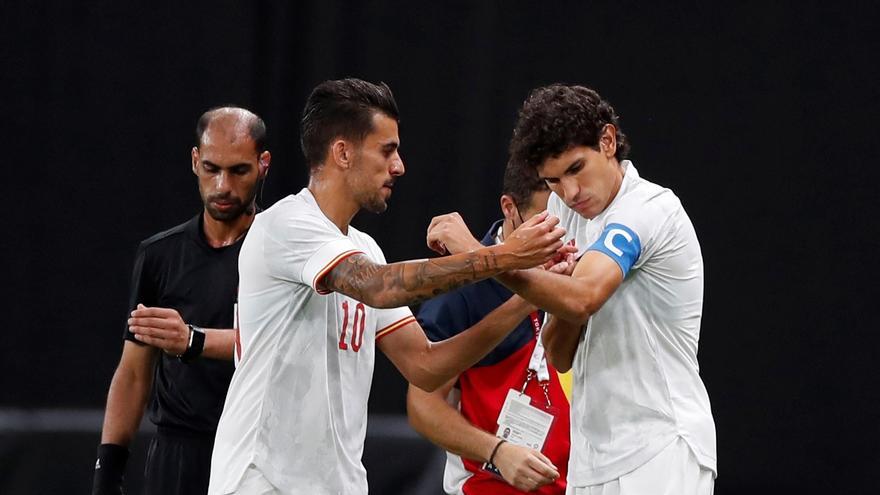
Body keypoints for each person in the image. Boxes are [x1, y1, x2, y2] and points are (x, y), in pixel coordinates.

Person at [208, 78, 573, 495]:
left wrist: (523, 297)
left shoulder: (365, 248)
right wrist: (502, 257)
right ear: (342, 152)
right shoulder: (285, 225)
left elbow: (426, 365)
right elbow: (378, 288)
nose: (399, 166)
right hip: (262, 482)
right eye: (387, 150)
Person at [427, 84, 716, 494]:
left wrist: (482, 256)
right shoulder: (566, 212)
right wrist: (557, 286)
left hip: (661, 449)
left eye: (576, 168)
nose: (570, 192)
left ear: (609, 141)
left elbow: (583, 298)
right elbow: (560, 354)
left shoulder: (647, 209)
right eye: (554, 180)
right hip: (590, 458)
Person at [92, 107, 271, 495]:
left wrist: (191, 340)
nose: (222, 185)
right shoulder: (159, 255)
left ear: (263, 165)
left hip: (260, 453)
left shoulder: (281, 253)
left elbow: (275, 346)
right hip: (177, 457)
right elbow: (134, 372)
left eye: (239, 171)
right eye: (211, 168)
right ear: (195, 161)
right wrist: (107, 473)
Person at [407, 161, 571, 495]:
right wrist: (497, 451)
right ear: (509, 208)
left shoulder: (582, 271)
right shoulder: (461, 289)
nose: (558, 237)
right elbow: (423, 405)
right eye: (545, 223)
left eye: (568, 221)